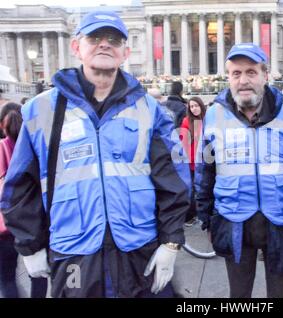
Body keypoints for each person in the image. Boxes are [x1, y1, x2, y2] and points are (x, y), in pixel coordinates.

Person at [0, 10, 191, 298]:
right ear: (77, 46)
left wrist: (171, 242)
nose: (105, 44)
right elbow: (19, 185)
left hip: (138, 247)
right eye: (95, 37)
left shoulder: (149, 110)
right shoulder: (41, 109)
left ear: (125, 52)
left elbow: (173, 180)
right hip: (74, 253)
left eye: (114, 39)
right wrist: (30, 245)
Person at [196, 43, 283, 298]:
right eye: (236, 73)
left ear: (265, 75)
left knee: (280, 294)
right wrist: (205, 217)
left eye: (251, 72)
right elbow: (206, 170)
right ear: (228, 77)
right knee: (238, 296)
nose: (243, 80)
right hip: (233, 219)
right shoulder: (214, 115)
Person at [0, 103, 48, 298]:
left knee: (7, 279)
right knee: (38, 276)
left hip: (4, 226)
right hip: (35, 223)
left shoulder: (2, 148)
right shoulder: (38, 145)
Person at [180, 97, 206, 226]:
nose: (194, 108)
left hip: (206, 160)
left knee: (205, 188)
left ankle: (204, 214)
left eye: (196, 105)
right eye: (191, 106)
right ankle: (191, 215)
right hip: (191, 161)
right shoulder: (186, 121)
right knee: (192, 190)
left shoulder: (208, 120)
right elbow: (183, 142)